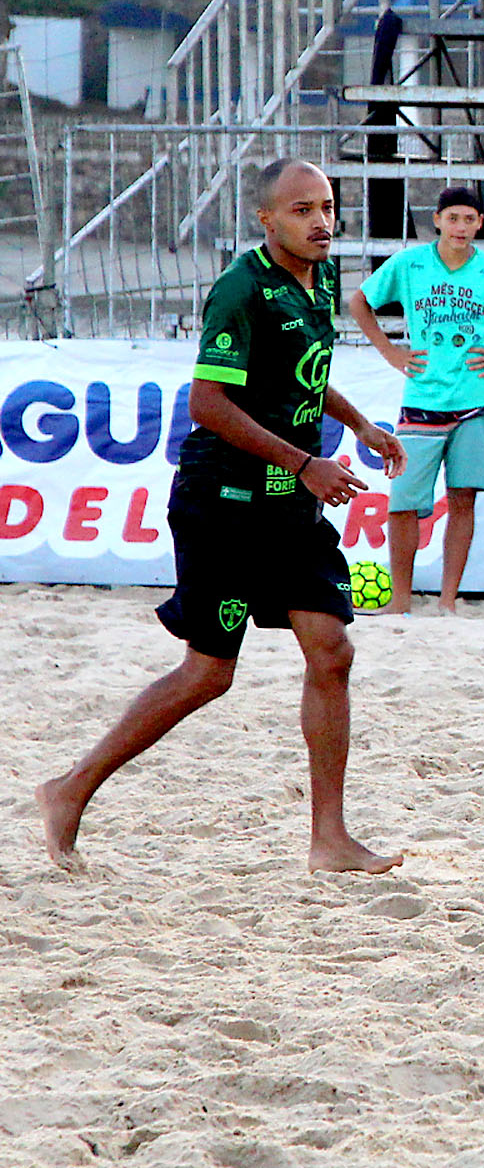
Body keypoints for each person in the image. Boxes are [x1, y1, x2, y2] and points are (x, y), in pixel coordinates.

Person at [37, 159, 408, 874]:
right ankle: (69, 789)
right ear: (266, 220)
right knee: (209, 673)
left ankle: (329, 839)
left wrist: (359, 424)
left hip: (289, 503)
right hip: (225, 501)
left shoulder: (321, 275)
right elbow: (207, 404)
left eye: (328, 206)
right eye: (302, 210)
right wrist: (305, 462)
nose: (322, 222)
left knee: (331, 651)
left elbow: (300, 372)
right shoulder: (240, 290)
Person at [345, 185, 484, 614]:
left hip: (475, 401)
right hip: (422, 398)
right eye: (452, 218)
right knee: (404, 500)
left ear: (480, 224)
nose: (460, 227)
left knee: (462, 498)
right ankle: (400, 601)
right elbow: (359, 301)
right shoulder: (409, 264)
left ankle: (447, 601)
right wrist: (390, 351)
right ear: (437, 220)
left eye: (469, 219)